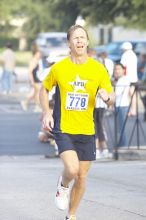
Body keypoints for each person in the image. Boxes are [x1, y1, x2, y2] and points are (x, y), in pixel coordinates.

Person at [39, 24, 115, 220]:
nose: (79, 41)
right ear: (69, 43)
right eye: (75, 38)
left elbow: (111, 97)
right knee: (72, 170)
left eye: (82, 37)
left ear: (87, 42)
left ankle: (71, 215)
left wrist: (107, 97)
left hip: (87, 129)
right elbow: (44, 89)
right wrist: (47, 112)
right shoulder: (60, 68)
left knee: (82, 176)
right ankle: (63, 185)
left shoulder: (98, 69)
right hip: (64, 127)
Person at [21, 42, 42, 112]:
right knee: (38, 93)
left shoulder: (37, 61)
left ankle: (25, 102)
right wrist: (32, 81)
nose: (40, 55)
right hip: (35, 80)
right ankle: (37, 106)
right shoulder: (33, 61)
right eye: (39, 54)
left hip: (37, 79)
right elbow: (30, 72)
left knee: (34, 93)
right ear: (36, 54)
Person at [113, 63, 131, 146]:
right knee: (120, 128)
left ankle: (123, 146)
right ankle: (121, 145)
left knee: (121, 128)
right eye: (115, 69)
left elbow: (116, 94)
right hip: (119, 106)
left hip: (122, 106)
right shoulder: (119, 80)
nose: (117, 71)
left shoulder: (123, 80)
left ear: (123, 70)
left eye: (118, 69)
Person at [120, 41, 138, 116]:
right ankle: (133, 110)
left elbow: (122, 66)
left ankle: (129, 110)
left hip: (127, 78)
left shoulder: (125, 55)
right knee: (132, 95)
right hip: (134, 78)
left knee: (127, 95)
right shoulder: (134, 55)